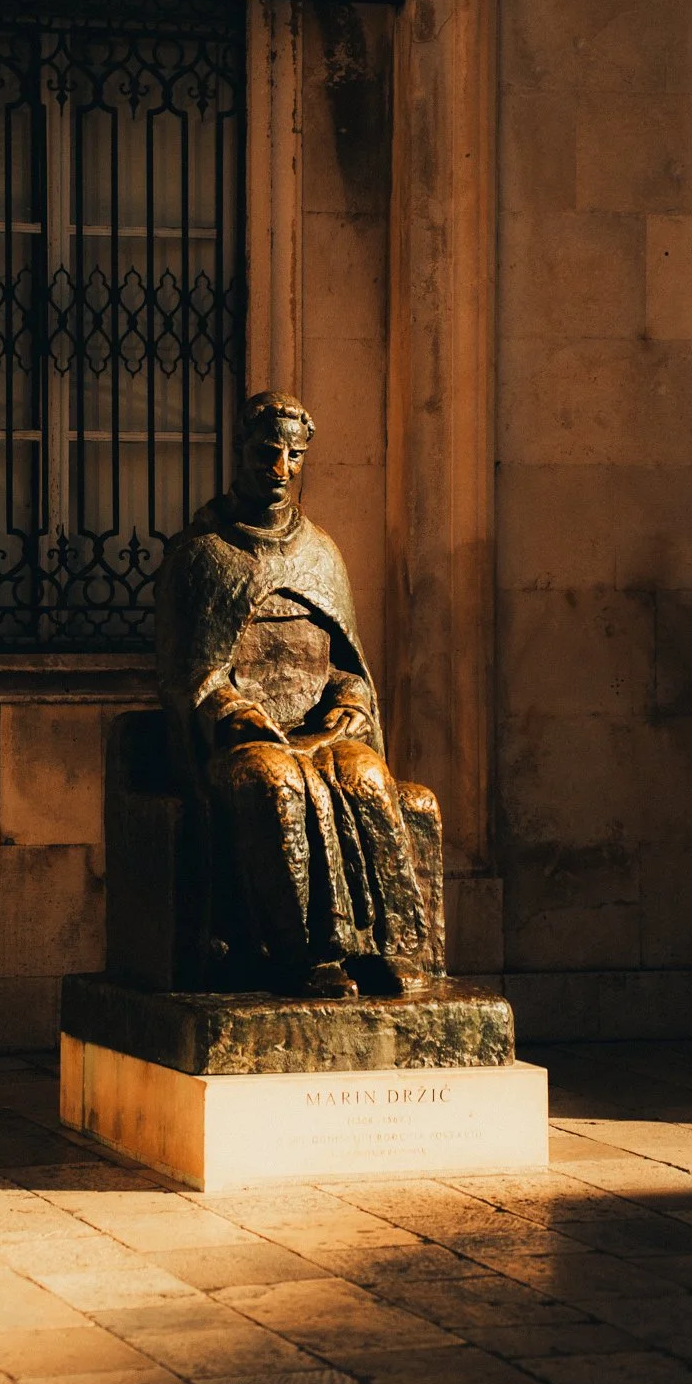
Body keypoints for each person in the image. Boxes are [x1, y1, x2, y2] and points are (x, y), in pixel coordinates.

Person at [155, 391, 439, 998]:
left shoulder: (321, 554)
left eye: (294, 454)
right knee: (276, 784)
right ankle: (303, 955)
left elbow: (348, 664)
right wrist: (237, 713)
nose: (279, 468)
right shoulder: (202, 555)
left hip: (321, 734)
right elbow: (192, 675)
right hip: (244, 741)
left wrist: (348, 704)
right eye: (267, 452)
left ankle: (391, 948)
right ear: (242, 451)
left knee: (365, 776)